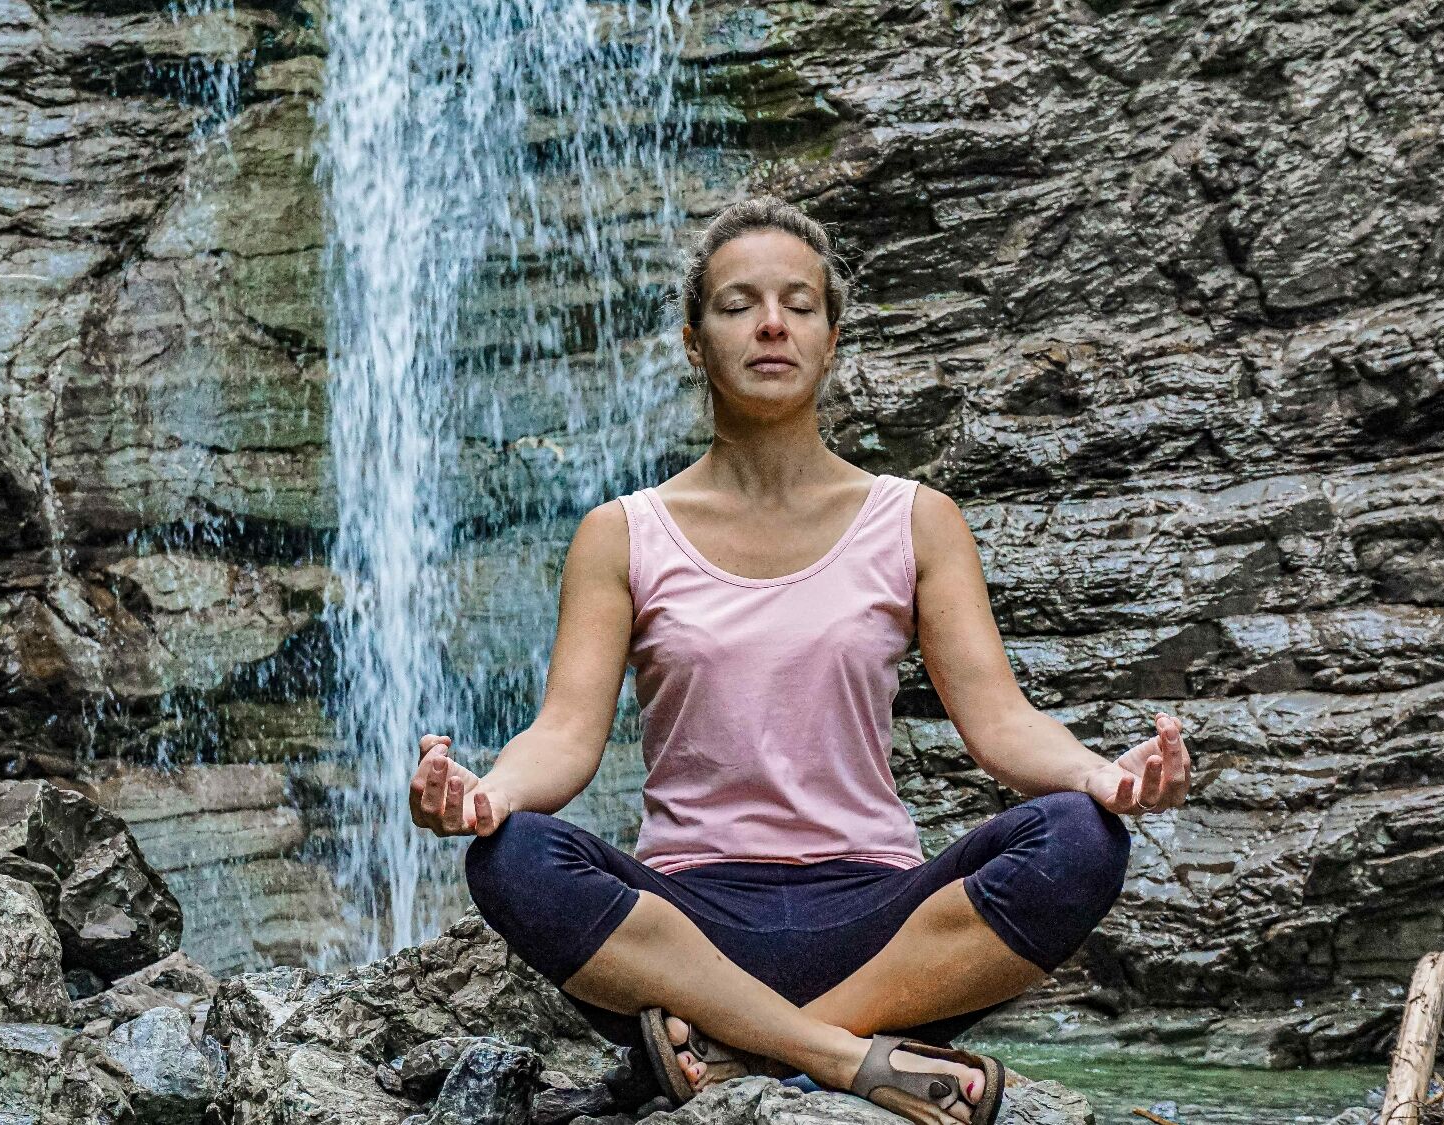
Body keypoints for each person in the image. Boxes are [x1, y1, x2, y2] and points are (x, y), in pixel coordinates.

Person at [406, 197, 1193, 1125]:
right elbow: (567, 736)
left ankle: (745, 1053)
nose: (770, 323)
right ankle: (844, 1059)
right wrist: (487, 793)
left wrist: (1102, 775)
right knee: (513, 856)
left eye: (798, 304)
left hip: (884, 929)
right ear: (696, 342)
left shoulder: (915, 519)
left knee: (1082, 837)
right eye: (738, 304)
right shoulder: (621, 535)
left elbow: (1002, 724)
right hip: (684, 932)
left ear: (831, 338)